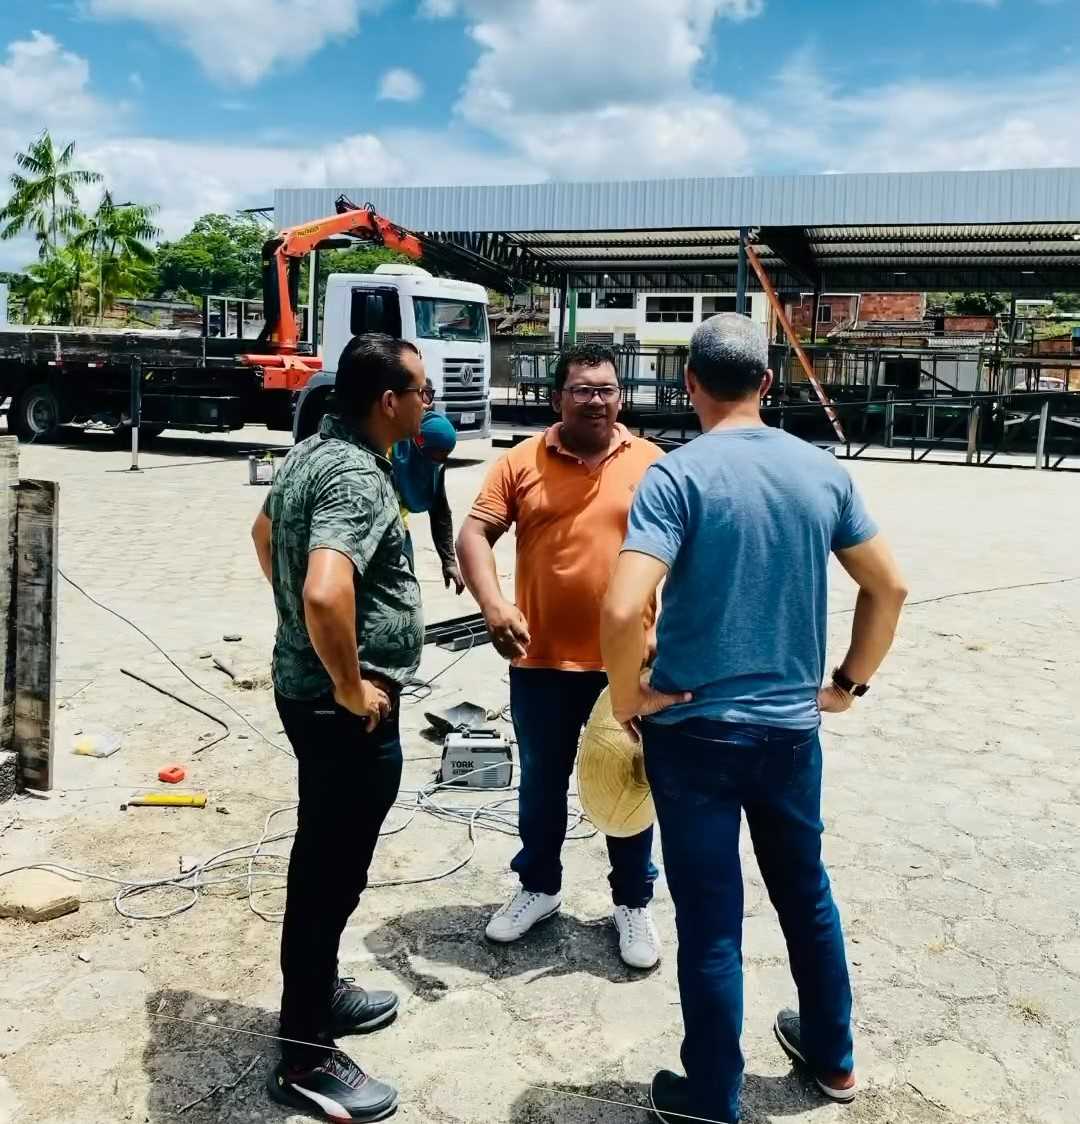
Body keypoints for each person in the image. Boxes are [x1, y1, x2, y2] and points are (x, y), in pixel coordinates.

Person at [600, 313, 908, 1124]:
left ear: (690, 384)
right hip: (789, 734)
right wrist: (847, 685)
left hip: (694, 732)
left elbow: (623, 602)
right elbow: (890, 588)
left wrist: (630, 697)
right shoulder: (822, 472)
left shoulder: (674, 476)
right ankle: (834, 1059)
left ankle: (711, 1094)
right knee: (805, 894)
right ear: (768, 384)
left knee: (710, 918)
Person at [251, 333, 428, 1123]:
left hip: (308, 693)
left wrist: (300, 625)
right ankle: (306, 1055)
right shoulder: (355, 476)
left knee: (327, 861)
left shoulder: (310, 452)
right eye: (421, 390)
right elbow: (327, 592)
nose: (430, 403)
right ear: (387, 401)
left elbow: (263, 539)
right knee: (327, 874)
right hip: (340, 711)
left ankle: (319, 993)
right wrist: (350, 682)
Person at [456, 343, 666, 969]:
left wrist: (673, 631)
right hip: (541, 661)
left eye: (606, 388)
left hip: (627, 666)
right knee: (543, 784)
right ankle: (539, 887)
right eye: (582, 389)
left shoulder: (655, 465)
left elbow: (693, 551)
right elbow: (474, 533)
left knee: (632, 783)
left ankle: (632, 901)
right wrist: (493, 603)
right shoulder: (520, 463)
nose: (595, 399)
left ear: (621, 397)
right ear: (557, 398)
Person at [391, 408, 465, 594]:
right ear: (420, 441)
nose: (440, 462)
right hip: (376, 532)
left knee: (408, 594)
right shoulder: (390, 454)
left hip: (400, 530)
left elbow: (440, 510)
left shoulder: (435, 465)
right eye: (437, 455)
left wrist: (449, 561)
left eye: (446, 456)